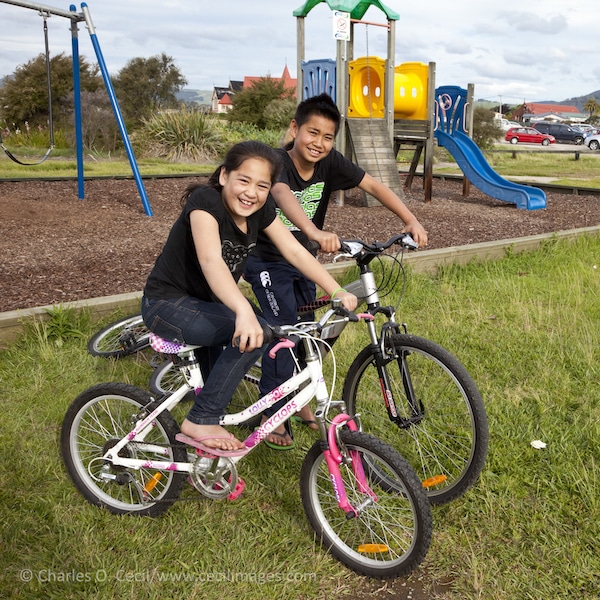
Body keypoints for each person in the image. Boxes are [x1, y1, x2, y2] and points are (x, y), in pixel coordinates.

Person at [141, 140, 357, 453]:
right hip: (166, 304)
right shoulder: (205, 201)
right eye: (243, 180)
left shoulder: (262, 210)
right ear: (224, 176)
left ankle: (205, 438)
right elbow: (211, 260)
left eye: (262, 185)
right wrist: (243, 310)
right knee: (256, 330)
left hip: (207, 306)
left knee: (252, 337)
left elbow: (294, 250)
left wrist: (334, 288)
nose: (251, 192)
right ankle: (201, 419)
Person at [244, 93, 428, 449]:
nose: (319, 143)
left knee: (310, 333)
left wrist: (409, 218)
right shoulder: (277, 162)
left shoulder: (330, 163)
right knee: (283, 332)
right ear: (295, 129)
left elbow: (372, 185)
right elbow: (281, 193)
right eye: (313, 133)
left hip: (304, 262)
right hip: (267, 259)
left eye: (328, 137)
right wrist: (313, 232)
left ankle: (296, 399)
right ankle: (273, 410)